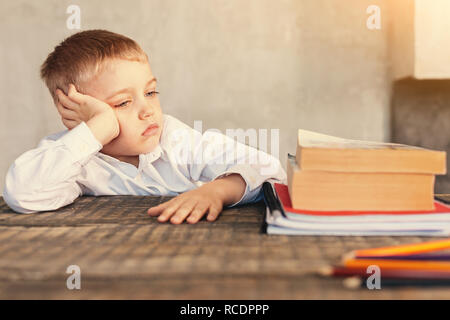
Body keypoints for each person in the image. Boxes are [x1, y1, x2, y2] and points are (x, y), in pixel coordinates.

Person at [3, 29, 286, 224]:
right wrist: (96, 130)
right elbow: (24, 194)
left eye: (150, 93)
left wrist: (217, 191)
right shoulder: (75, 160)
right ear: (77, 112)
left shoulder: (175, 140)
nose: (147, 110)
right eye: (123, 103)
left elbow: (269, 169)